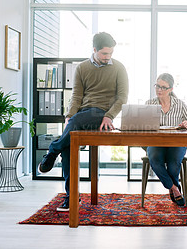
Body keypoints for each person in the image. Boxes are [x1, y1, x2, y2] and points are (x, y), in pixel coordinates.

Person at [38, 32, 129, 212]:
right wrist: (69, 116)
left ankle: (52, 149)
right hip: (82, 115)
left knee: (72, 129)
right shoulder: (81, 68)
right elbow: (77, 96)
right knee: (68, 147)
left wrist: (109, 116)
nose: (108, 57)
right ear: (94, 50)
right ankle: (72, 197)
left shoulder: (119, 68)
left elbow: (122, 98)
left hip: (103, 115)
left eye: (110, 53)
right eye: (104, 53)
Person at [146, 73, 187, 206]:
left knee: (173, 162)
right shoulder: (149, 104)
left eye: (163, 87)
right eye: (157, 86)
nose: (159, 90)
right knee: (154, 159)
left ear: (171, 89)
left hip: (177, 143)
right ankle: (175, 188)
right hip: (156, 143)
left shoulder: (179, 104)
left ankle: (172, 188)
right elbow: (143, 125)